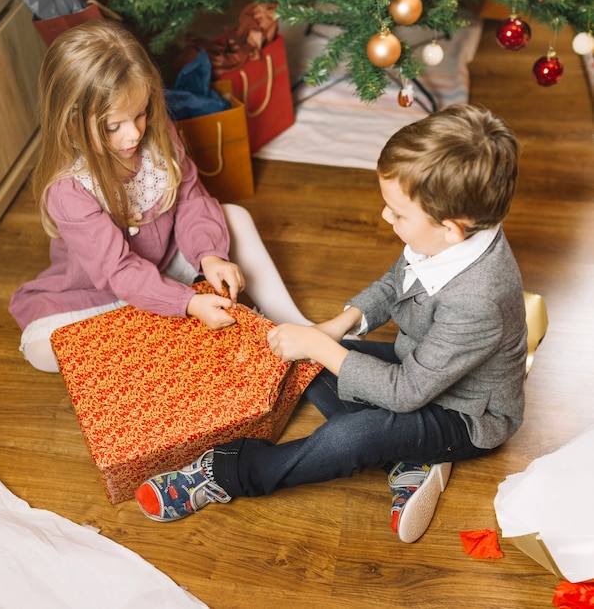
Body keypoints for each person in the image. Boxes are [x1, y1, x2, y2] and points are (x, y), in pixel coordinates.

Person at [135, 103, 528, 544]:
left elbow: (406, 392)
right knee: (304, 362)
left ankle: (229, 473)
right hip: (417, 368)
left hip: (463, 414)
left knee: (350, 437)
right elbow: (394, 282)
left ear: (451, 229)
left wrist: (320, 347)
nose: (386, 217)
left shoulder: (478, 299)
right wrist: (333, 330)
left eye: (397, 214)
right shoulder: (448, 235)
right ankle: (412, 457)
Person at [8, 19, 310, 374]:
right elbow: (119, 272)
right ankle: (162, 332)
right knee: (42, 351)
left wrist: (210, 255)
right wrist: (187, 303)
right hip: (102, 293)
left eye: (140, 114)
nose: (134, 133)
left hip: (168, 261)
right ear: (72, 122)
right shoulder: (69, 189)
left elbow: (191, 198)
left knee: (234, 216)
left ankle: (296, 322)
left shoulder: (155, 131)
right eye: (112, 126)